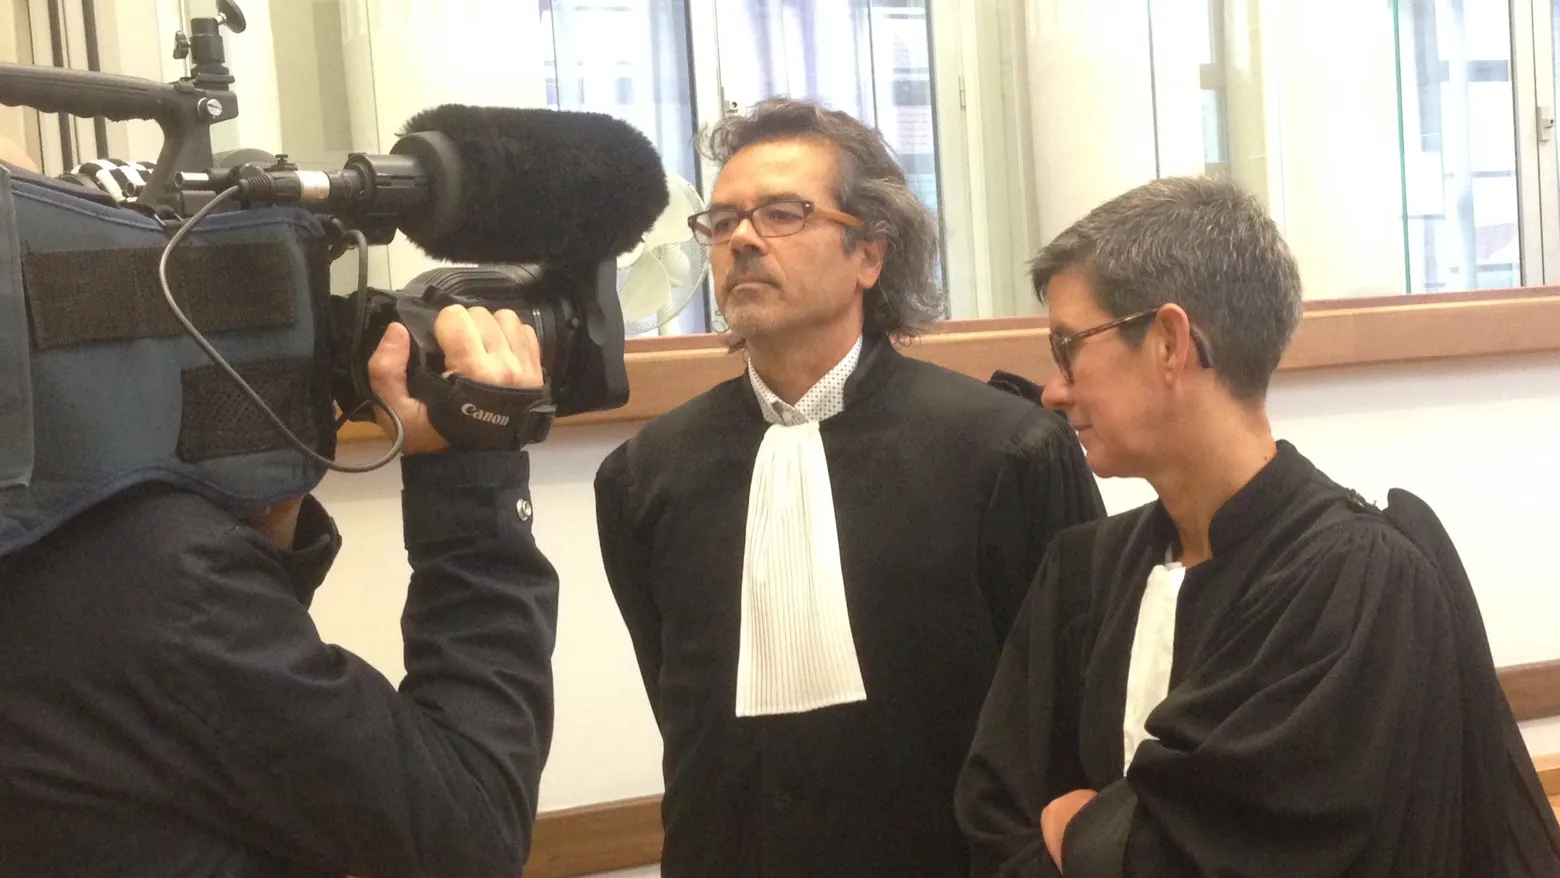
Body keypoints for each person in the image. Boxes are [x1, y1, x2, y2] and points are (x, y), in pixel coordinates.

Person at [954, 175, 1560, 877]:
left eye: (1069, 348)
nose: (1054, 390)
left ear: (1170, 341)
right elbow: (998, 818)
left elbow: (1268, 848)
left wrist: (1080, 832)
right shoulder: (1083, 571)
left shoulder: (1357, 582)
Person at [593, 97, 1105, 877]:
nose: (743, 240)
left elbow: (1070, 714)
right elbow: (685, 716)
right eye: (723, 222)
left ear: (870, 253)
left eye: (783, 213)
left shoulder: (1008, 452)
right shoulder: (644, 476)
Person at [0, 267, 560, 878]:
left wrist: (267, 498)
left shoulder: (58, 539)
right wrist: (474, 471)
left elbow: (208, 748)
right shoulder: (164, 588)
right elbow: (475, 827)